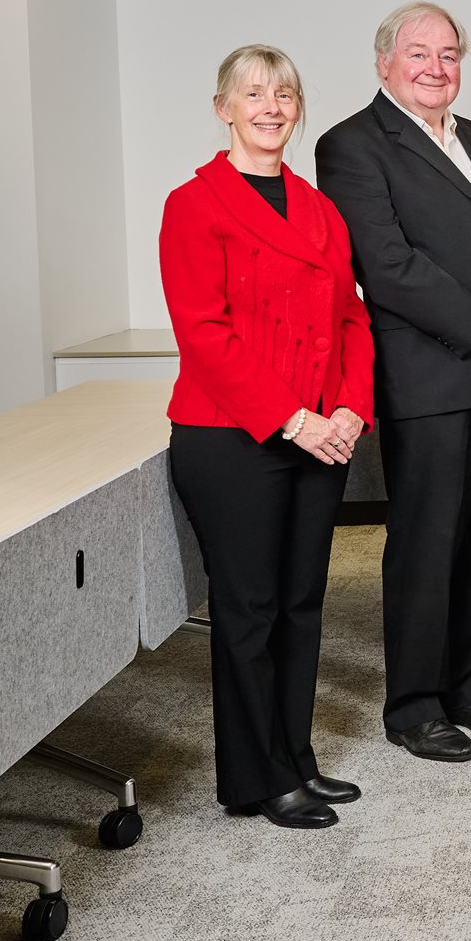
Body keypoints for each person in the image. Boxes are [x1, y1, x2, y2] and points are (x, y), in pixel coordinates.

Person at [315, 2, 471, 764]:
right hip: (432, 377)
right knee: (428, 542)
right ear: (385, 61)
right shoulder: (351, 145)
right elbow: (385, 265)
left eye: (449, 54)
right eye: (419, 53)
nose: (436, 67)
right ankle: (413, 704)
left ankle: (463, 682)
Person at [161, 44, 374, 829]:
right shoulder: (195, 205)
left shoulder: (319, 210)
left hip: (321, 433)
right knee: (249, 610)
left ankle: (296, 757)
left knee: (301, 605)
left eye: (283, 94)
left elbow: (352, 318)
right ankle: (256, 778)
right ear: (224, 108)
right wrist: (296, 418)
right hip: (234, 437)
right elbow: (205, 335)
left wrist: (351, 407)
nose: (271, 107)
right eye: (253, 94)